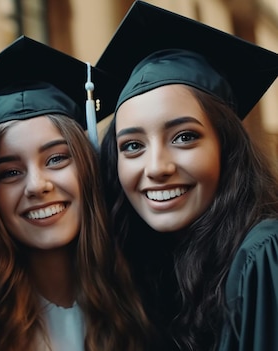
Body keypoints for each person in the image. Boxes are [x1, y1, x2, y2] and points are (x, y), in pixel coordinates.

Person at [97, 2, 278, 351]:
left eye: (184, 137)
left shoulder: (263, 256)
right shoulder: (157, 272)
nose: (156, 167)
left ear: (226, 147)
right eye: (132, 145)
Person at [0, 35, 152, 351]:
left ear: (88, 167)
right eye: (10, 172)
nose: (38, 185)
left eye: (56, 158)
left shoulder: (150, 297)